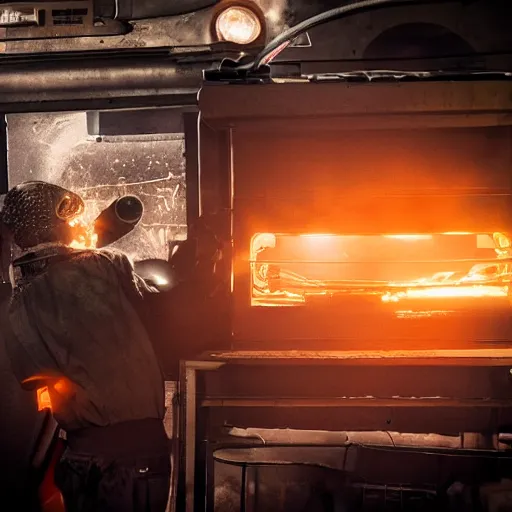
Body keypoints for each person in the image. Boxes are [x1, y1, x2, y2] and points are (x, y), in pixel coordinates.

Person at [0, 181, 171, 512]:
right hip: (138, 453)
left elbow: (29, 374)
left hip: (86, 454)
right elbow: (162, 321)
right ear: (59, 223)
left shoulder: (22, 297)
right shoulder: (112, 265)